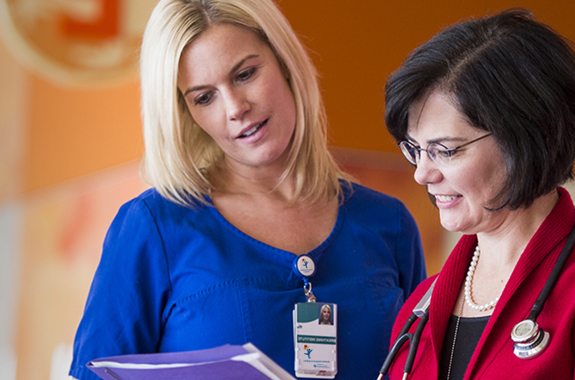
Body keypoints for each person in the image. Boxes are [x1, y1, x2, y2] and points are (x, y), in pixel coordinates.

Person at [68, 0, 426, 379]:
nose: (235, 107)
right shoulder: (155, 227)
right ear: (186, 114)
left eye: (245, 74)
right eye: (205, 97)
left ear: (285, 63)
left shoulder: (389, 224)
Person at [382, 8, 575, 379]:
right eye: (414, 149)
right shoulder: (417, 312)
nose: (422, 173)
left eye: (447, 150)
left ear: (526, 138)